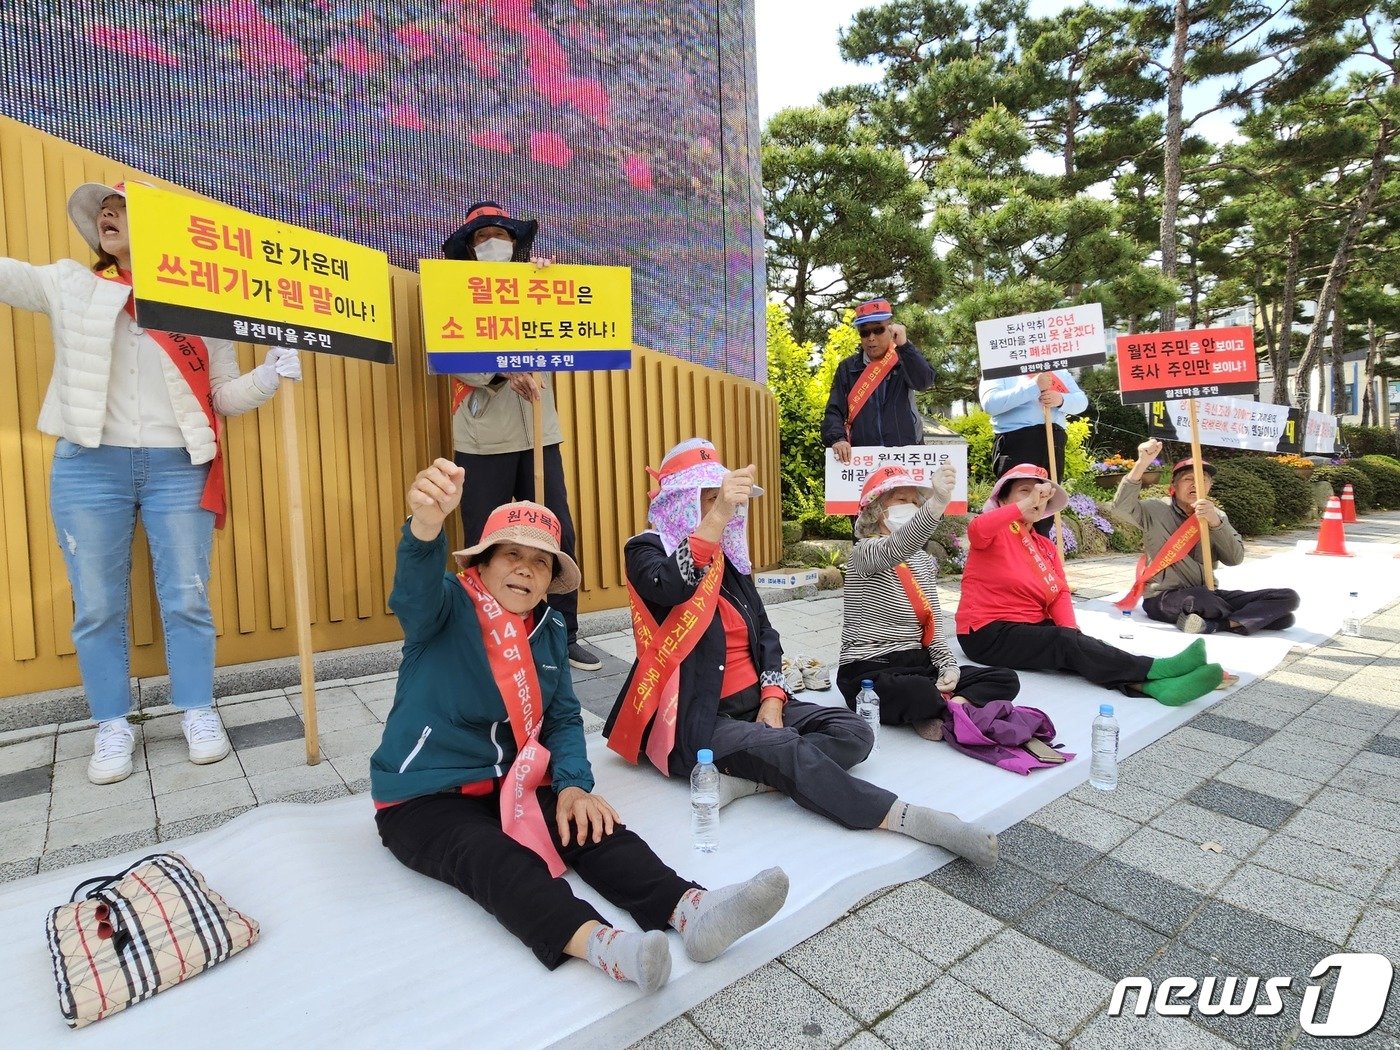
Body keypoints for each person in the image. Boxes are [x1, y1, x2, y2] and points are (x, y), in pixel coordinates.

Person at [372, 460, 789, 993]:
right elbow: (411, 592)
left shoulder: (547, 629)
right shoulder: (446, 607)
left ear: (551, 580)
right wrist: (426, 525)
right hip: (424, 796)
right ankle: (610, 949)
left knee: (593, 823)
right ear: (481, 563)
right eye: (512, 554)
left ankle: (693, 911)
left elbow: (565, 717)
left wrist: (572, 784)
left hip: (512, 780)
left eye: (541, 562)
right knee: (493, 857)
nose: (526, 569)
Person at [0, 181, 301, 785]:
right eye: (103, 212)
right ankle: (111, 724)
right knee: (98, 605)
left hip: (178, 464)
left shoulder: (199, 304)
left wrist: (269, 375)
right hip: (90, 465)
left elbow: (222, 396)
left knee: (187, 595)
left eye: (122, 209)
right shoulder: (70, 283)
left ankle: (197, 709)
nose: (108, 216)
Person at [602, 439, 998, 870]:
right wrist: (716, 519)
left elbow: (766, 635)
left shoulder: (729, 564)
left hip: (755, 701)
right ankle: (909, 817)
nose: (726, 509)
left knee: (854, 732)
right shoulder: (645, 549)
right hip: (700, 714)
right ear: (681, 500)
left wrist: (772, 698)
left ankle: (751, 782)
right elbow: (669, 586)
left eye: (725, 499)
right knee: (788, 748)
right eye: (711, 498)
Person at [440, 200, 601, 672]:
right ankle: (485, 629)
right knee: (485, 536)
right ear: (469, 248)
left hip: (537, 432)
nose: (494, 244)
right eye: (482, 237)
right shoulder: (455, 292)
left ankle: (562, 633)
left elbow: (565, 337)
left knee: (556, 531)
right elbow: (450, 355)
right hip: (480, 436)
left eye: (503, 236)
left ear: (515, 243)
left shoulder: (535, 281)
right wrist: (500, 370)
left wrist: (547, 288)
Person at [956, 464, 1225, 706]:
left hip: (1029, 627)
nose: (1035, 499)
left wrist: (1074, 633)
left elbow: (1059, 593)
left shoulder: (1045, 546)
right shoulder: (993, 532)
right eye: (1024, 491)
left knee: (1079, 645)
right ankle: (1156, 668)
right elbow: (977, 529)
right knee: (1064, 641)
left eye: (1042, 494)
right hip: (986, 633)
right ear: (1002, 499)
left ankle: (1152, 686)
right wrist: (1021, 507)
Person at [838, 464, 1021, 737]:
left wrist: (948, 666)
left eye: (915, 501)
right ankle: (937, 706)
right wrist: (936, 503)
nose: (911, 506)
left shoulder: (922, 561)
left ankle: (945, 707)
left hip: (920, 664)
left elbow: (932, 622)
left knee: (1005, 678)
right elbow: (897, 546)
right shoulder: (863, 553)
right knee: (916, 691)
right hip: (872, 666)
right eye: (901, 499)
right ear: (876, 511)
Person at [1113, 440, 1300, 634]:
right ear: (1174, 485)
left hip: (1210, 593)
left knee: (1287, 597)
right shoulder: (1155, 509)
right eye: (1187, 479)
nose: (1196, 484)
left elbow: (1234, 559)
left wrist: (1215, 524)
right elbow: (1120, 508)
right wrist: (1142, 463)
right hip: (1165, 597)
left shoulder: (1217, 515)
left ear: (1210, 486)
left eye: (1203, 480)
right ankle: (1248, 618)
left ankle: (1217, 624)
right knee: (1201, 600)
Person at [821, 297, 935, 464]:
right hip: (865, 459)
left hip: (906, 456)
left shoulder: (903, 358)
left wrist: (905, 347)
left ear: (891, 329)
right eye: (864, 332)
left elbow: (924, 382)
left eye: (878, 330)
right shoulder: (847, 368)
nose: (871, 338)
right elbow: (834, 410)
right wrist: (837, 438)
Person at [979, 369, 1088, 536]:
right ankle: (1010, 552)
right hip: (1018, 439)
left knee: (1045, 502)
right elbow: (990, 403)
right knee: (1018, 500)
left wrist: (1061, 399)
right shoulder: (999, 365)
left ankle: (1039, 555)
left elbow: (1082, 401)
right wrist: (1033, 387)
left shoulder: (1056, 367)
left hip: (1054, 439)